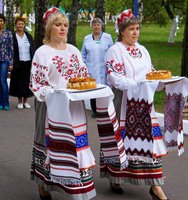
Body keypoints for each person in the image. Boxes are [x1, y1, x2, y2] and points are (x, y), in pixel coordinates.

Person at [29, 7, 96, 200]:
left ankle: (76, 187)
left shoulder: (74, 50)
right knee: (48, 143)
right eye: (58, 25)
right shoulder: (43, 52)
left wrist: (89, 85)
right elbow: (36, 82)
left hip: (73, 106)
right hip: (50, 105)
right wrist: (54, 93)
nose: (62, 28)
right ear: (50, 28)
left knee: (74, 144)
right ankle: (44, 183)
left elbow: (83, 76)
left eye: (65, 25)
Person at [102, 9, 169, 200]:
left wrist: (163, 82)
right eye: (131, 29)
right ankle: (115, 177)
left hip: (145, 106)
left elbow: (152, 73)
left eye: (137, 28)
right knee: (120, 143)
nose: (135, 32)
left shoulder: (142, 49)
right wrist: (137, 86)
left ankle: (155, 186)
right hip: (123, 104)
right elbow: (114, 77)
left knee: (150, 146)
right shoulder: (115, 50)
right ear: (122, 31)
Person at [81, 18, 113, 117]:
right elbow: (83, 54)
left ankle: (105, 110)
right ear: (92, 26)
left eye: (98, 24)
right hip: (91, 68)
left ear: (101, 26)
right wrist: (84, 67)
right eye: (94, 24)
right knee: (93, 91)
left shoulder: (107, 37)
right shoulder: (87, 38)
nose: (96, 26)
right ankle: (95, 111)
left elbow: (112, 52)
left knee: (104, 89)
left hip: (104, 69)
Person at [9, 17, 34, 109]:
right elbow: (10, 50)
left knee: (27, 81)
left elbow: (32, 49)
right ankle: (20, 101)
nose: (20, 25)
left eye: (22, 24)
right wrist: (11, 63)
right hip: (17, 62)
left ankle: (26, 101)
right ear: (16, 25)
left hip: (28, 61)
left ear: (24, 25)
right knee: (18, 82)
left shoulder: (28, 36)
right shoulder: (12, 36)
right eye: (19, 24)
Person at [0, 14, 13, 111]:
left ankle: (6, 102)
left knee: (3, 81)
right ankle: (0, 102)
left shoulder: (8, 33)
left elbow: (11, 48)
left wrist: (11, 63)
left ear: (4, 22)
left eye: (1, 20)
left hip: (5, 60)